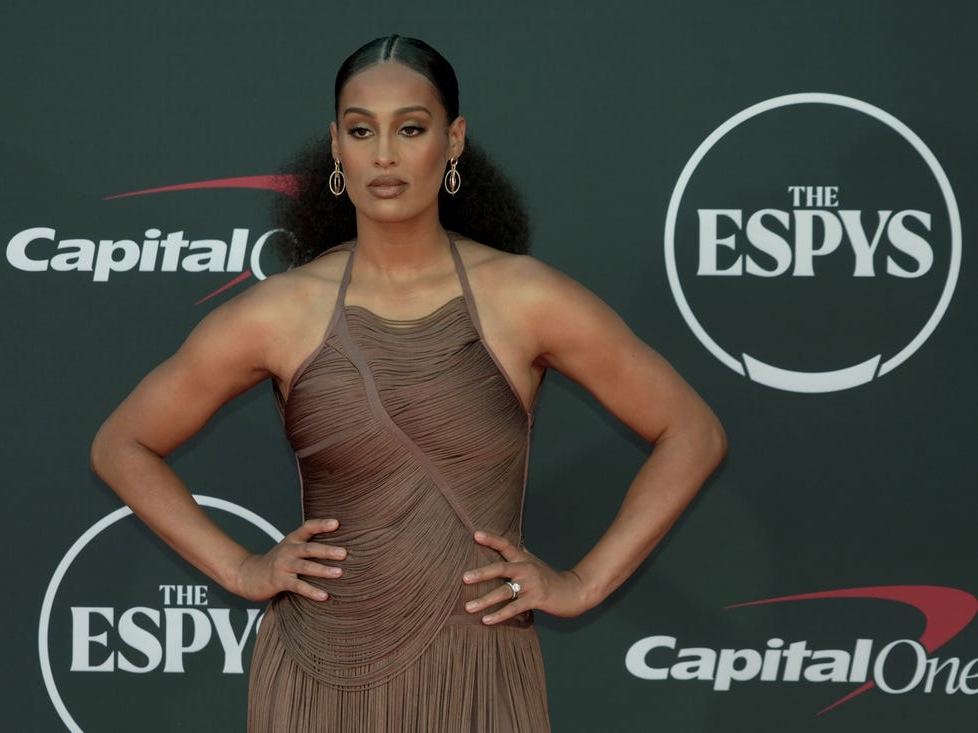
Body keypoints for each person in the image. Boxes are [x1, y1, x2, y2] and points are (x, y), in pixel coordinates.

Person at [91, 34, 726, 732]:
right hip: (316, 677)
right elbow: (122, 443)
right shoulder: (281, 312)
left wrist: (582, 582)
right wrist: (242, 569)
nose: (385, 154)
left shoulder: (524, 298)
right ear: (337, 145)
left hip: (479, 672)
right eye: (362, 130)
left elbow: (691, 432)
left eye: (411, 128)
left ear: (453, 140)